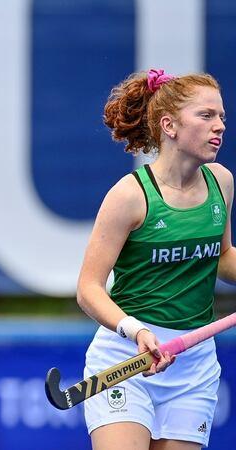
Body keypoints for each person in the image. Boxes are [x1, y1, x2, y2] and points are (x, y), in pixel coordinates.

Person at [76, 68, 233, 450]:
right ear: (169, 126)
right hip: (128, 357)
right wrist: (136, 331)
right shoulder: (130, 196)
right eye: (207, 115)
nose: (220, 127)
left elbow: (222, 257)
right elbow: (88, 289)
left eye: (222, 117)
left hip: (193, 365)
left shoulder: (221, 182)